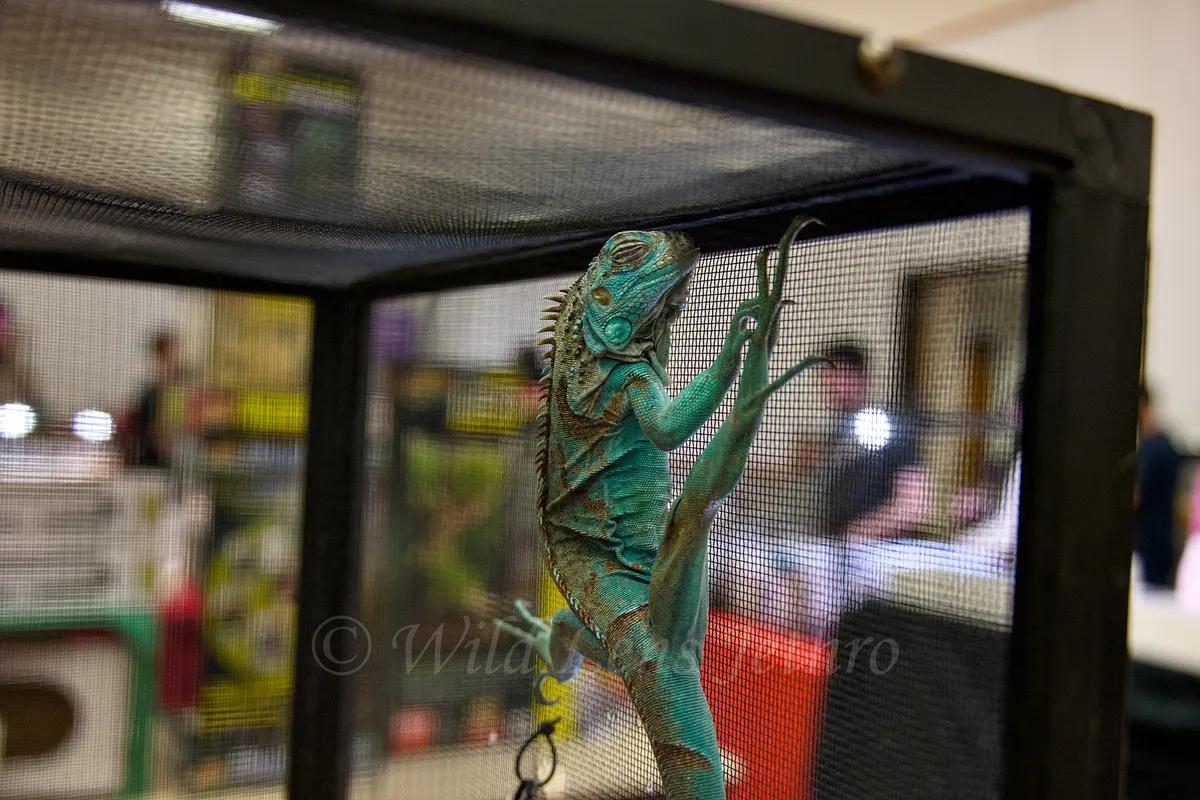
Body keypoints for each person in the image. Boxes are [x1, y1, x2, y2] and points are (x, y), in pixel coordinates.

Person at [813, 342, 932, 543]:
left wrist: (861, 531)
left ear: (862, 378)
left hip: (879, 553)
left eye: (839, 375)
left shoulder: (892, 428)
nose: (831, 384)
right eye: (827, 376)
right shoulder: (838, 432)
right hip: (833, 549)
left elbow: (916, 507)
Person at [1134, 384, 1182, 588]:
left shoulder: (1153, 448)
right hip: (1161, 544)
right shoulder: (1166, 444)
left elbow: (1135, 496)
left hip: (1150, 547)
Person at [129, 331, 182, 468]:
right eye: (171, 352)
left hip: (176, 463)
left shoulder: (182, 391)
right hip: (151, 465)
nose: (177, 358)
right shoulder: (150, 393)